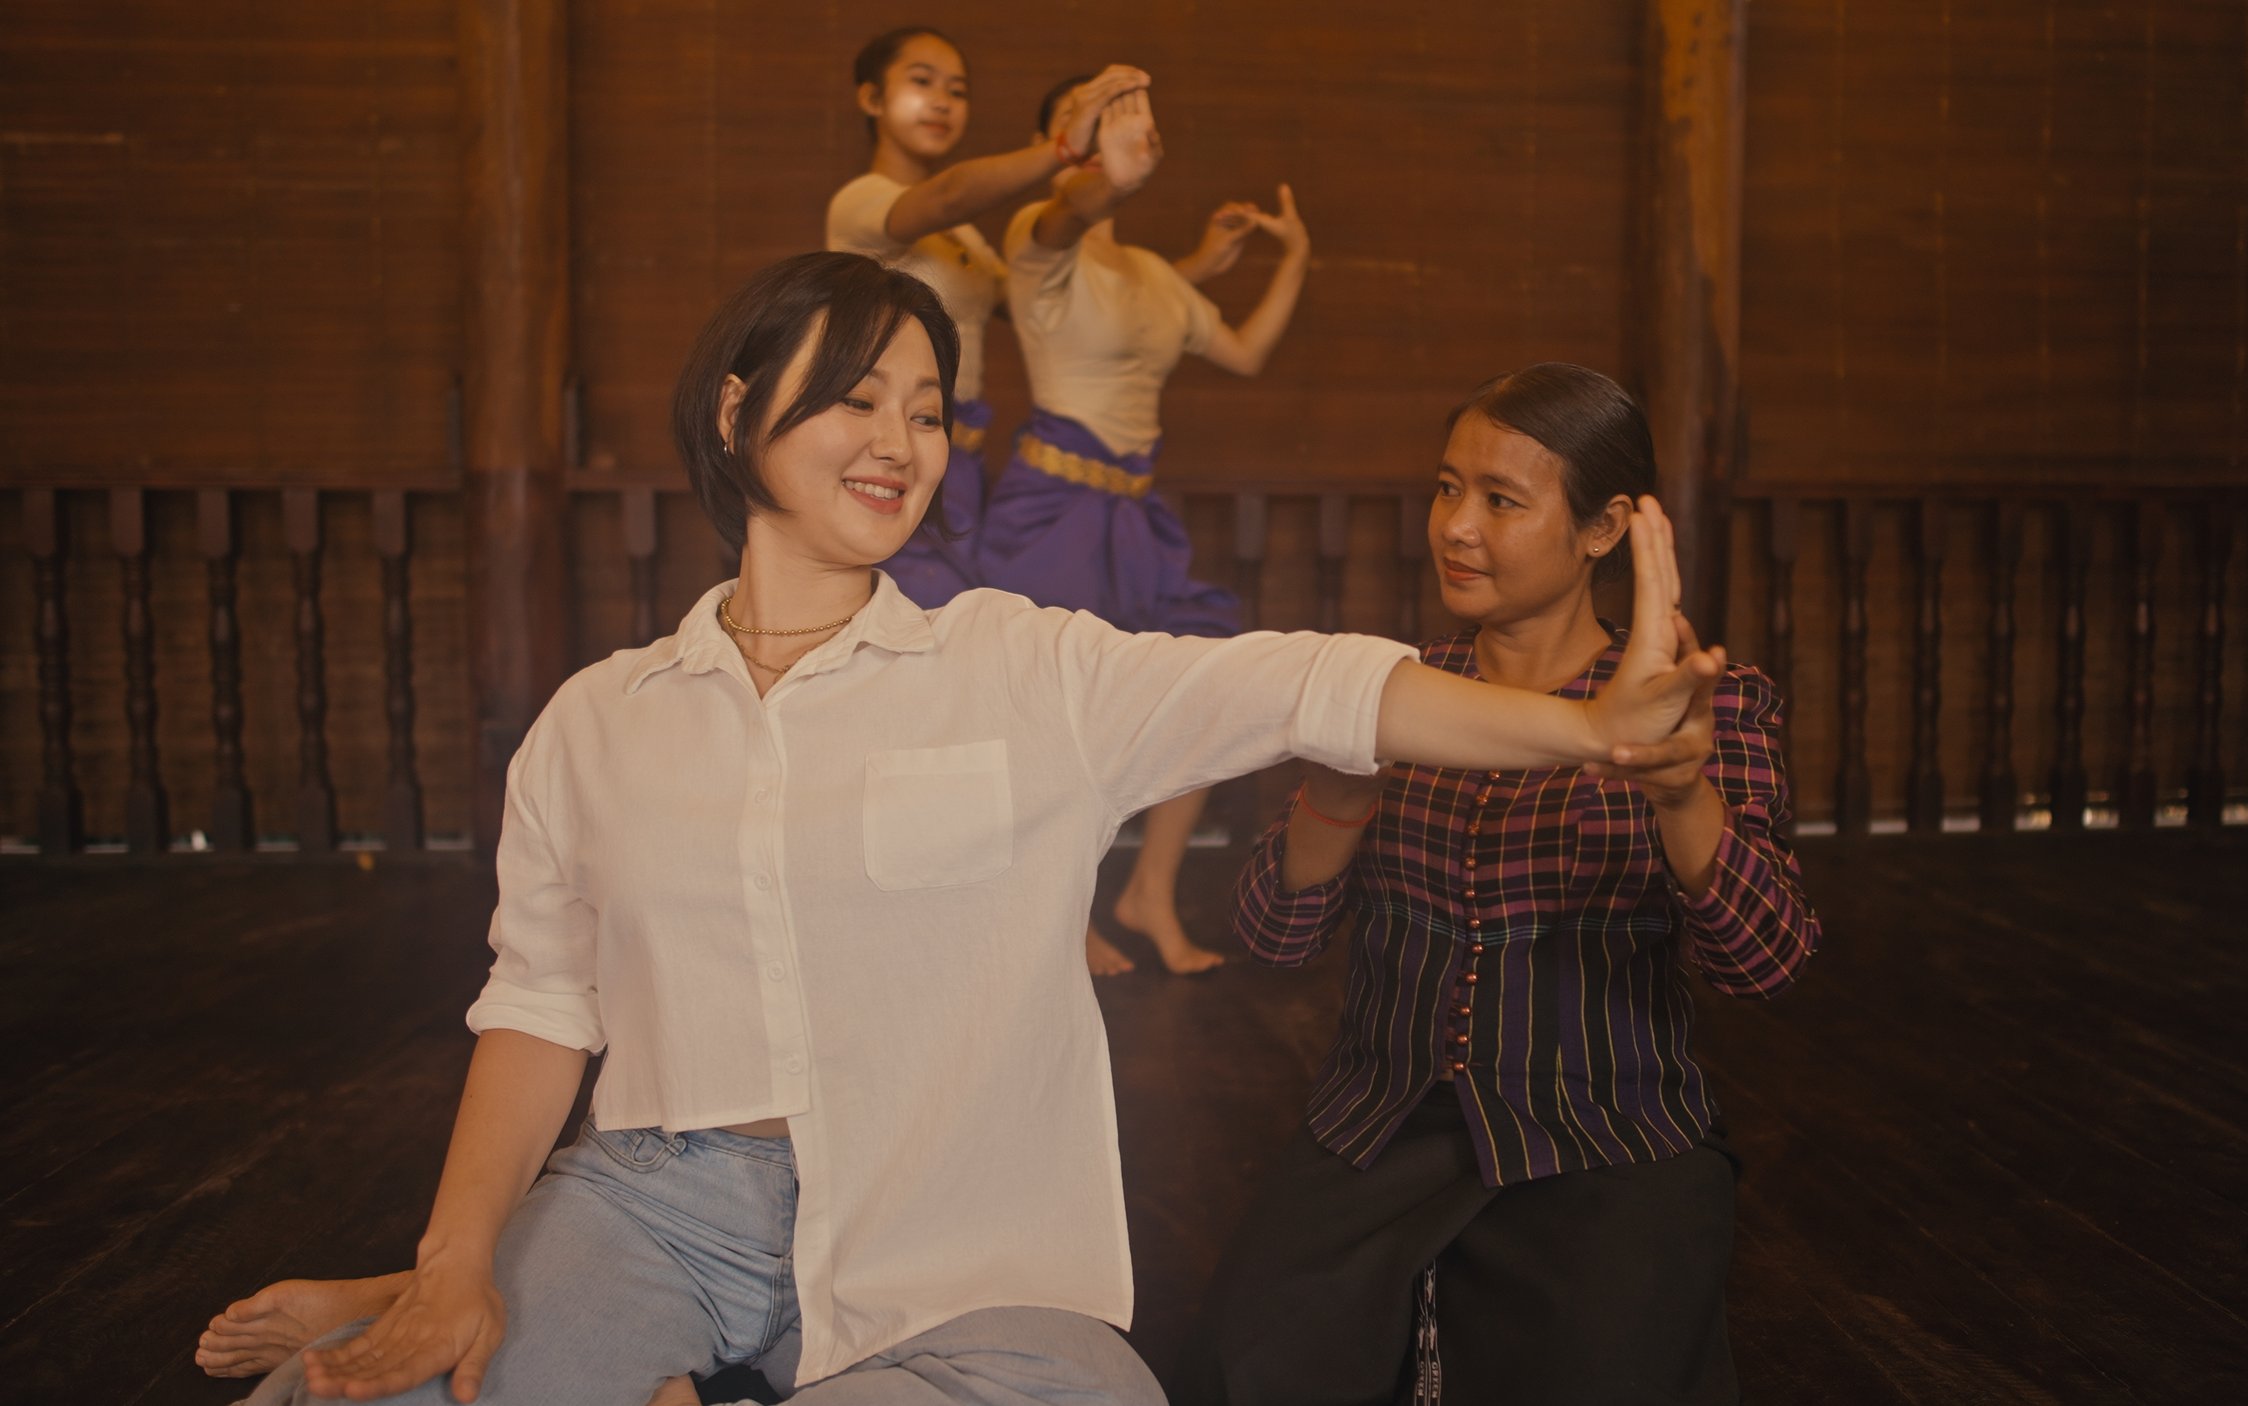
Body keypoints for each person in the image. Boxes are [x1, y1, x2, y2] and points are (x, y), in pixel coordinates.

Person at [199, 258, 1725, 1406]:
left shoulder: (1022, 667)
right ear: (735, 411)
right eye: (856, 396)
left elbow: (1308, 682)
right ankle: (487, 1293)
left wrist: (1591, 728)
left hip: (956, 1221)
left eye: (929, 410)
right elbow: (541, 999)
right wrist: (460, 1262)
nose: (901, 440)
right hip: (658, 1199)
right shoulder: (599, 718)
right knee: (357, 1393)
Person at [1201, 364, 1823, 1405]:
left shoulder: (1704, 705)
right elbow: (1270, 937)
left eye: (1501, 500)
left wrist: (1681, 795)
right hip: (1381, 1121)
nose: (1456, 526)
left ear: (1602, 527)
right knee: (1244, 1366)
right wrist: (1339, 789)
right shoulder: (1400, 692)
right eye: (1448, 488)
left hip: (1606, 1132)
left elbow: (1768, 961)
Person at [974, 83, 1309, 977]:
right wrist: (1107, 176)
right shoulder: (1037, 240)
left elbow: (1245, 353)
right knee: (1057, 711)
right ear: (1061, 142)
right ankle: (1064, 911)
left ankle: (1149, 891)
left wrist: (1295, 258)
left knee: (1197, 689)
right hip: (1052, 509)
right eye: (1098, 128)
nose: (1122, 138)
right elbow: (1071, 213)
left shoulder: (1157, 275)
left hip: (1136, 512)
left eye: (1130, 125)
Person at [822, 29, 1146, 608]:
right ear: (871, 98)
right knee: (905, 616)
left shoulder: (963, 233)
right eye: (922, 82)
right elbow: (947, 194)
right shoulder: (861, 200)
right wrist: (1062, 149)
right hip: (885, 450)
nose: (942, 102)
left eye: (957, 91)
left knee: (955, 625)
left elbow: (1035, 301)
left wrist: (1109, 190)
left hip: (956, 459)